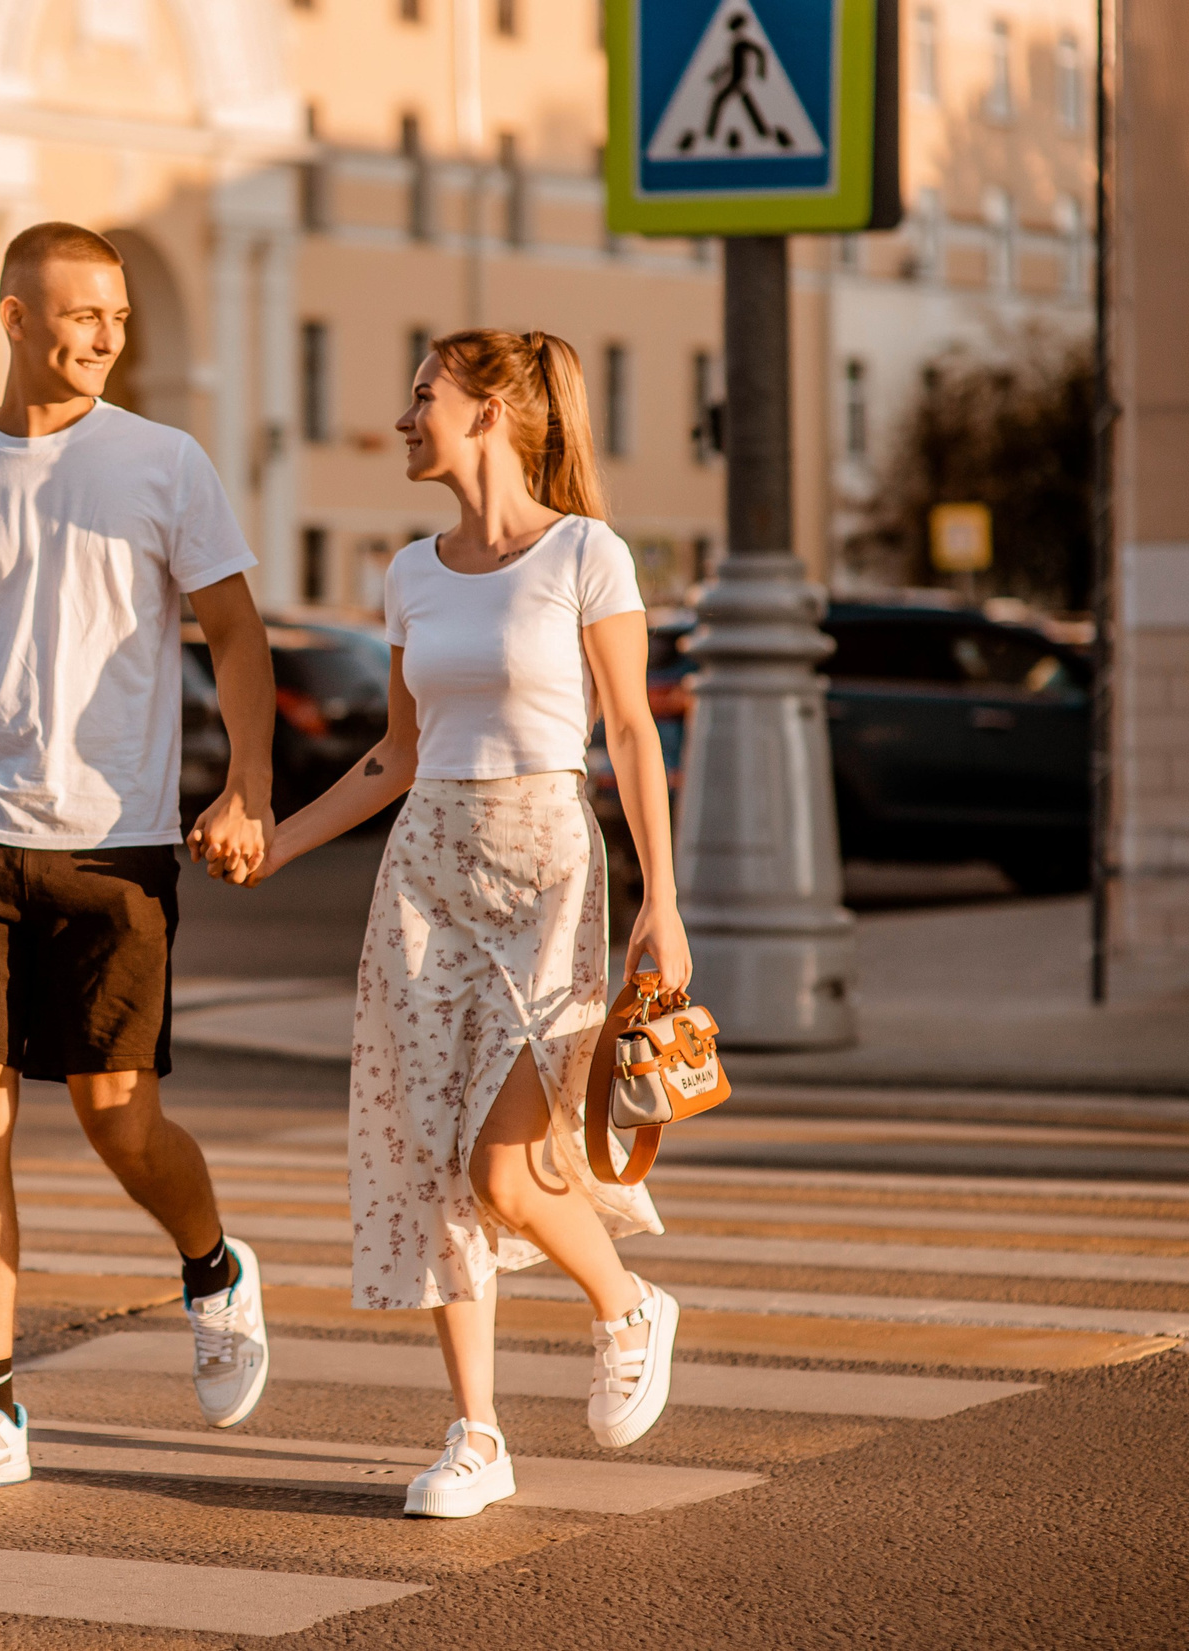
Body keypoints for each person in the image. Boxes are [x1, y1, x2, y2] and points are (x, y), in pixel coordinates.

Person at [0, 221, 281, 1506]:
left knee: (114, 1118)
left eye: (120, 321)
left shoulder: (163, 463)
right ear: (15, 314)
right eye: (80, 314)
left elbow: (238, 638)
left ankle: (210, 1262)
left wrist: (246, 787)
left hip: (116, 843)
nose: (101, 339)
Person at [246, 329, 689, 1520]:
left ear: (490, 409)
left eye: (422, 396)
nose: (403, 417)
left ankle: (628, 1305)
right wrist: (276, 840)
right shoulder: (409, 571)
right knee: (434, 1161)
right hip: (424, 874)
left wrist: (664, 897)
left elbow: (634, 734)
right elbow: (394, 752)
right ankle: (476, 1436)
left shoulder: (586, 553)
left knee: (504, 1168)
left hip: (546, 868)